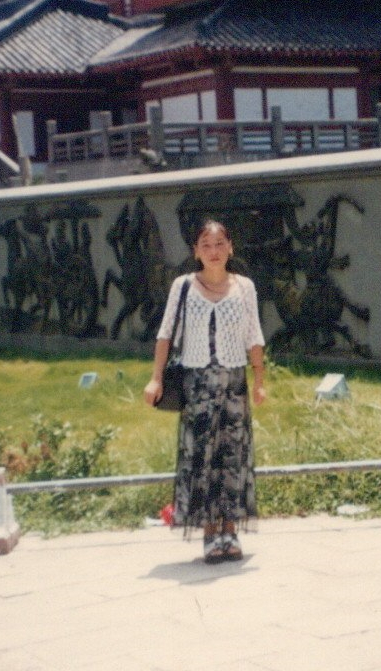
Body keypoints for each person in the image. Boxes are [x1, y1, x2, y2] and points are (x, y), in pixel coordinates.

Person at [144, 220, 266, 563]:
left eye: (219, 244)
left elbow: (254, 336)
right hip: (197, 387)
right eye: (206, 245)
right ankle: (210, 533)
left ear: (230, 248)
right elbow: (165, 335)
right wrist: (155, 378)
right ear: (196, 251)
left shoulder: (244, 288)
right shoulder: (183, 286)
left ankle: (231, 531)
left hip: (233, 385)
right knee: (203, 459)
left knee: (233, 458)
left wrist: (259, 380)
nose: (213, 252)